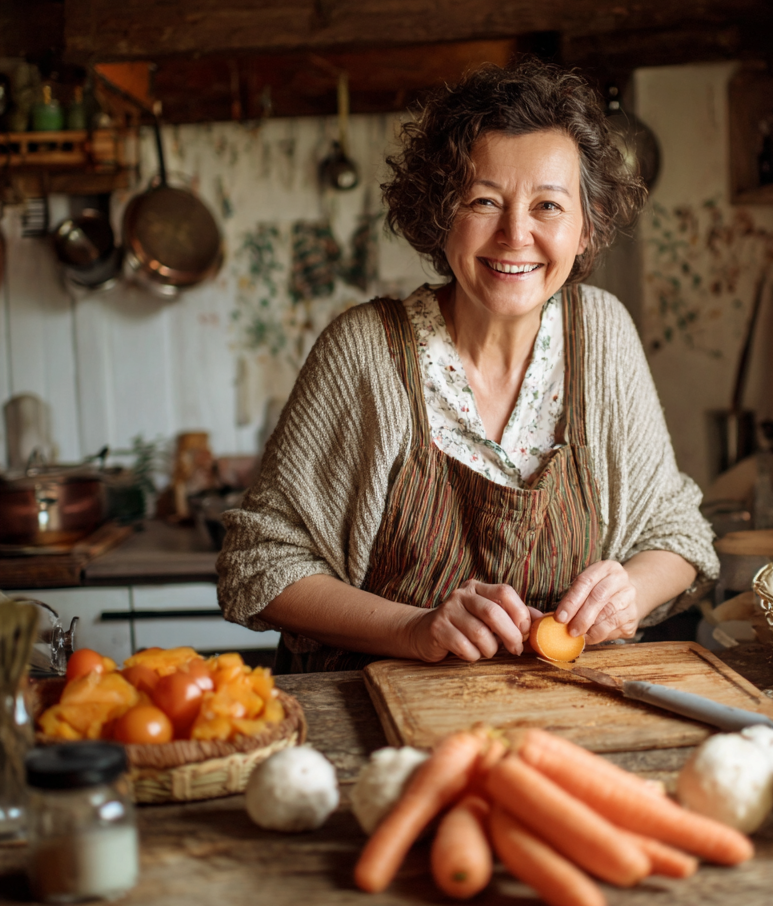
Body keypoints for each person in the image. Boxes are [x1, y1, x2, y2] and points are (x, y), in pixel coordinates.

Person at [217, 60, 718, 672]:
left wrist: (627, 595)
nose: (515, 234)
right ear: (440, 213)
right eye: (484, 201)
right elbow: (259, 562)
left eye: (548, 206)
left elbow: (678, 534)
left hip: (568, 722)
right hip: (376, 731)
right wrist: (415, 630)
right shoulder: (365, 351)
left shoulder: (604, 334)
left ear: (585, 228)